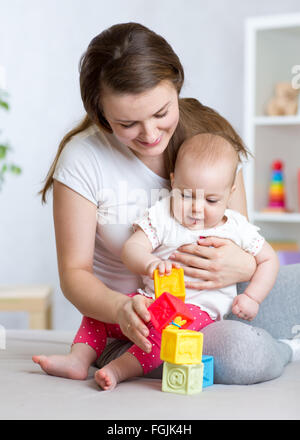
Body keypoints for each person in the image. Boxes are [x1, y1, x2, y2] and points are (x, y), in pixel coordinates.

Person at [32, 22, 299, 385]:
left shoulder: (209, 141)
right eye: (128, 123)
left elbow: (242, 237)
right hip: (136, 323)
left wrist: (245, 267)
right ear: (100, 113)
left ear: (177, 85)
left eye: (161, 113)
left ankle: (276, 336)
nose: (151, 134)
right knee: (242, 352)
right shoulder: (83, 159)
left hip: (222, 301)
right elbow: (74, 274)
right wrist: (122, 309)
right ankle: (285, 347)